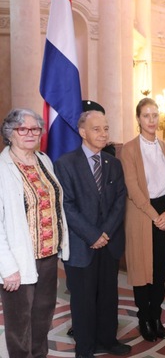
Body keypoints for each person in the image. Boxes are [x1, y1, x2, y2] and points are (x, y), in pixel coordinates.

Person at [54, 110, 129, 358]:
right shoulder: (65, 163)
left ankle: (108, 339)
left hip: (109, 243)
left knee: (108, 296)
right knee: (83, 300)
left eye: (106, 128)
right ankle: (85, 348)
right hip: (81, 245)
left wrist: (105, 233)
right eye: (97, 129)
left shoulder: (113, 163)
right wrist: (92, 235)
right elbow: (67, 205)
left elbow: (120, 200)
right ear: (83, 132)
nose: (103, 133)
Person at [0, 108, 70, 357]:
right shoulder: (2, 168)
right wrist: (7, 267)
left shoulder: (44, 160)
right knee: (20, 324)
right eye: (23, 129)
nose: (30, 133)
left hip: (48, 255)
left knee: (43, 316)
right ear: (10, 133)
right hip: (19, 261)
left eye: (35, 129)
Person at [121, 98, 165, 342]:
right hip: (141, 214)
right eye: (146, 115)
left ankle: (156, 315)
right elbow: (133, 189)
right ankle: (144, 317)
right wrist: (156, 217)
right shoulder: (129, 149)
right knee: (141, 268)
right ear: (138, 119)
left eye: (155, 115)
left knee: (158, 269)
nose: (152, 120)